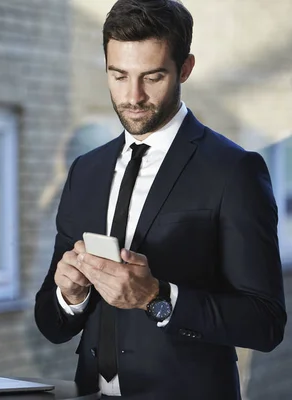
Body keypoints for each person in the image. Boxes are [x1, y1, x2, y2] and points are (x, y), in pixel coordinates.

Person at [34, 0, 287, 398]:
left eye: (152, 77)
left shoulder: (233, 171)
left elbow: (266, 324)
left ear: (185, 68)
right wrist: (70, 295)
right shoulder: (86, 171)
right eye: (118, 76)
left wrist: (157, 297)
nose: (133, 96)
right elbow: (51, 323)